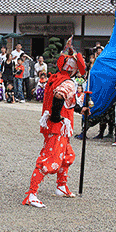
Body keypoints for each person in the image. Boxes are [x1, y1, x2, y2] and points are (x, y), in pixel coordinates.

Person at [22, 37, 86, 208]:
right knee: (50, 159)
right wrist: (57, 116)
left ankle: (61, 185)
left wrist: (80, 109)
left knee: (67, 156)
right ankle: (31, 193)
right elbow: (59, 96)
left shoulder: (56, 77)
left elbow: (66, 100)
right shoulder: (68, 82)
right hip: (58, 126)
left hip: (59, 127)